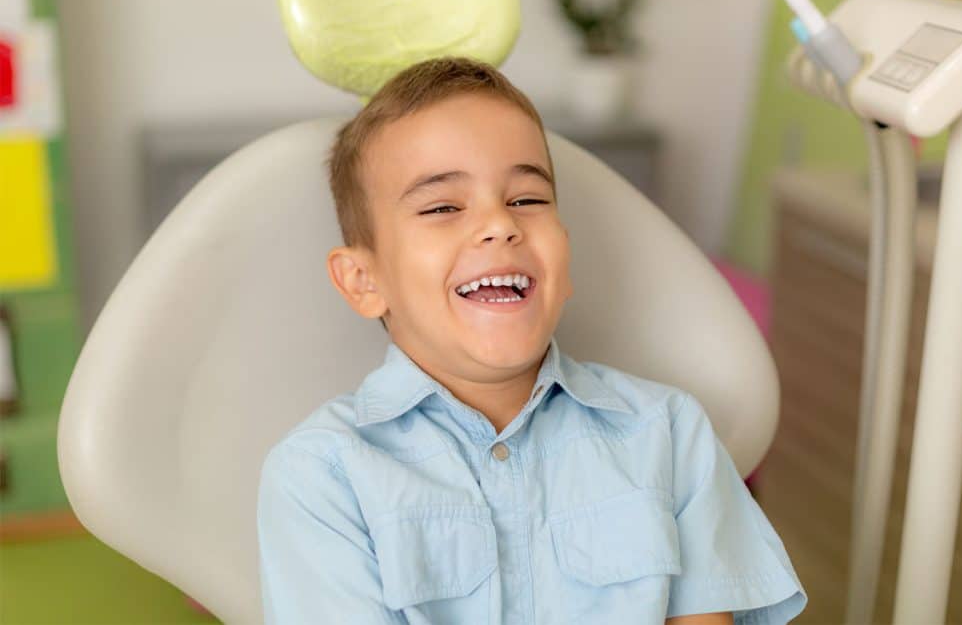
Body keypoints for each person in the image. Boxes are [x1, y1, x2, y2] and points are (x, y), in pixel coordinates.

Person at [256, 56, 807, 624]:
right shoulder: (322, 474)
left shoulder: (668, 433)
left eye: (526, 200)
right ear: (363, 281)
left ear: (564, 255)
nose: (501, 224)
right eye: (443, 207)